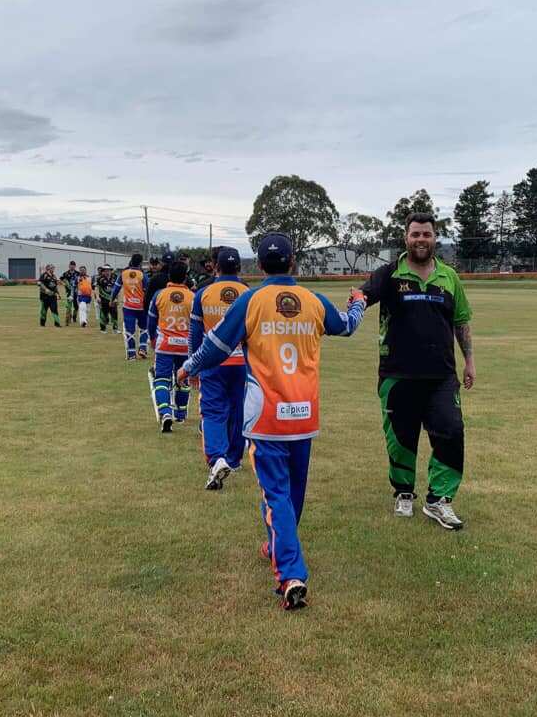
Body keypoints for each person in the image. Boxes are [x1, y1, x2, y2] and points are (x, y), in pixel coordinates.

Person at [179, 233, 366, 610]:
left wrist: (188, 367)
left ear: (260, 266)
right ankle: (279, 545)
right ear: (294, 262)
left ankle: (291, 574)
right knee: (292, 492)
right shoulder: (313, 301)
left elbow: (215, 347)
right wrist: (358, 303)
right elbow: (346, 325)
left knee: (276, 494)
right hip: (304, 413)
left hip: (267, 417)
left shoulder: (252, 301)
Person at [355, 212, 475, 530]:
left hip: (442, 376)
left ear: (435, 238)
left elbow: (461, 322)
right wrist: (354, 304)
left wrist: (470, 361)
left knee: (451, 432)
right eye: (415, 234)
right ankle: (404, 493)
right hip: (397, 375)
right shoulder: (389, 274)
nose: (421, 239)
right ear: (405, 238)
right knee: (400, 439)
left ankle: (439, 501)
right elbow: (363, 296)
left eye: (427, 234)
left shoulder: (449, 277)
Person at [189, 246, 248, 490]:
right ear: (240, 268)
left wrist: (192, 365)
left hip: (212, 362)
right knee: (238, 410)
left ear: (216, 266)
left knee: (213, 411)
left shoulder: (203, 294)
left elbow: (194, 334)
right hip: (242, 363)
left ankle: (217, 458)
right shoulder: (249, 293)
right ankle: (233, 459)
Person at [148, 260, 194, 432]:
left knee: (161, 379)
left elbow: (151, 321)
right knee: (183, 378)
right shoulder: (193, 297)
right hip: (185, 346)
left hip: (165, 345)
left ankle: (165, 411)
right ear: (186, 277)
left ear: (169, 276)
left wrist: (152, 340)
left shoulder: (159, 295)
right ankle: (180, 415)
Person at [115, 254, 149, 359]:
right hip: (141, 306)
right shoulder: (143, 275)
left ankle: (131, 355)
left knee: (130, 331)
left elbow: (116, 288)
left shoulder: (123, 273)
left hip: (129, 307)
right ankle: (143, 347)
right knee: (144, 328)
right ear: (140, 263)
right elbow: (148, 289)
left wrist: (112, 299)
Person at [94, 264, 118, 333]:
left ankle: (115, 329)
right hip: (103, 299)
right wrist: (98, 297)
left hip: (113, 299)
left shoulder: (114, 278)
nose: (107, 272)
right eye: (105, 271)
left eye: (108, 270)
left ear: (111, 271)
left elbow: (117, 289)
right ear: (103, 272)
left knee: (114, 314)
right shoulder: (100, 279)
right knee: (104, 314)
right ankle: (103, 329)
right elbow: (96, 288)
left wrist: (116, 298)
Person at [60, 260, 79, 325]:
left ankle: (74, 317)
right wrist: (64, 284)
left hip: (76, 292)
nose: (72, 267)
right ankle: (67, 320)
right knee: (69, 306)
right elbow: (61, 279)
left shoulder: (78, 273)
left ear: (75, 266)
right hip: (69, 292)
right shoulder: (65, 273)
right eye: (71, 265)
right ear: (69, 266)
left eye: (73, 266)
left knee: (76, 306)